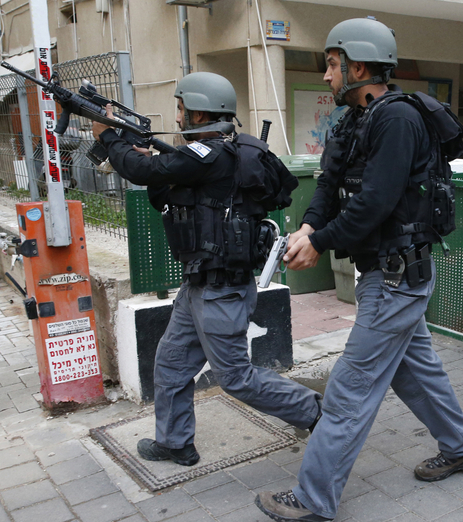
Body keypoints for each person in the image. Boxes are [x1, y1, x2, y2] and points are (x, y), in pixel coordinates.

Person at [254, 17, 463, 522]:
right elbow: (328, 184)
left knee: (350, 388)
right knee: (414, 370)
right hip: (383, 273)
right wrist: (308, 226)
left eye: (332, 65)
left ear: (358, 67)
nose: (327, 76)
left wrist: (320, 242)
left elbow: (375, 201)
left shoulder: (397, 119)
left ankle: (314, 500)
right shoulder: (353, 121)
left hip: (397, 275)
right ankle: (462, 445)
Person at [91, 72, 322, 467]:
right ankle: (175, 442)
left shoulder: (210, 155)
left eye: (181, 108)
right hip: (199, 286)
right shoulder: (209, 157)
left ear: (198, 113)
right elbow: (164, 191)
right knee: (171, 363)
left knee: (235, 377)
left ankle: (319, 413)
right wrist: (144, 156)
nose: (177, 116)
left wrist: (109, 136)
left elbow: (145, 172)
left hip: (221, 290)